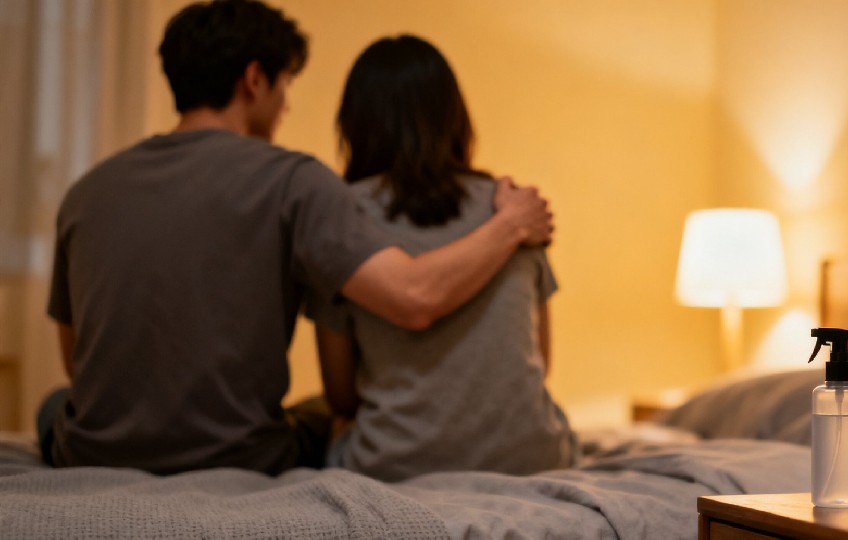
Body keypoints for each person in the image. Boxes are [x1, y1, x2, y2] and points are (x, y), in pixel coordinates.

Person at [38, 0, 553, 476]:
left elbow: (77, 362)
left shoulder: (86, 193)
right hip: (243, 457)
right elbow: (413, 296)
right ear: (254, 80)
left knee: (51, 404)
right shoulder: (293, 182)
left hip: (92, 453)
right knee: (317, 414)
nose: (286, 105)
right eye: (285, 84)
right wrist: (511, 225)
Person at [307, 34, 577, 482]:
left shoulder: (343, 216)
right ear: (455, 117)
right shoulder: (513, 209)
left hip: (391, 465)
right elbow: (540, 362)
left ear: (355, 123)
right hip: (536, 459)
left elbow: (341, 396)